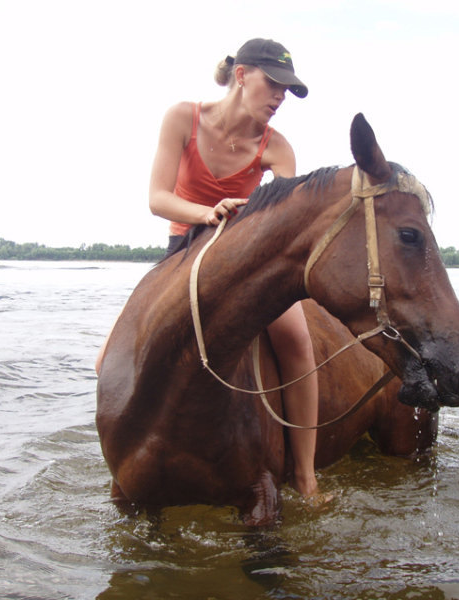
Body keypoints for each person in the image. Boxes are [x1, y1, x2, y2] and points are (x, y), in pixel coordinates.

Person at [148, 38, 323, 501]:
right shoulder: (182, 118)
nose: (280, 97)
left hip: (244, 259)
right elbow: (157, 198)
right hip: (183, 248)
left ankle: (305, 476)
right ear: (242, 75)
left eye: (288, 90)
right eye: (274, 84)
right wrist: (207, 214)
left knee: (298, 342)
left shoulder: (277, 148)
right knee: (108, 358)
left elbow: (286, 224)